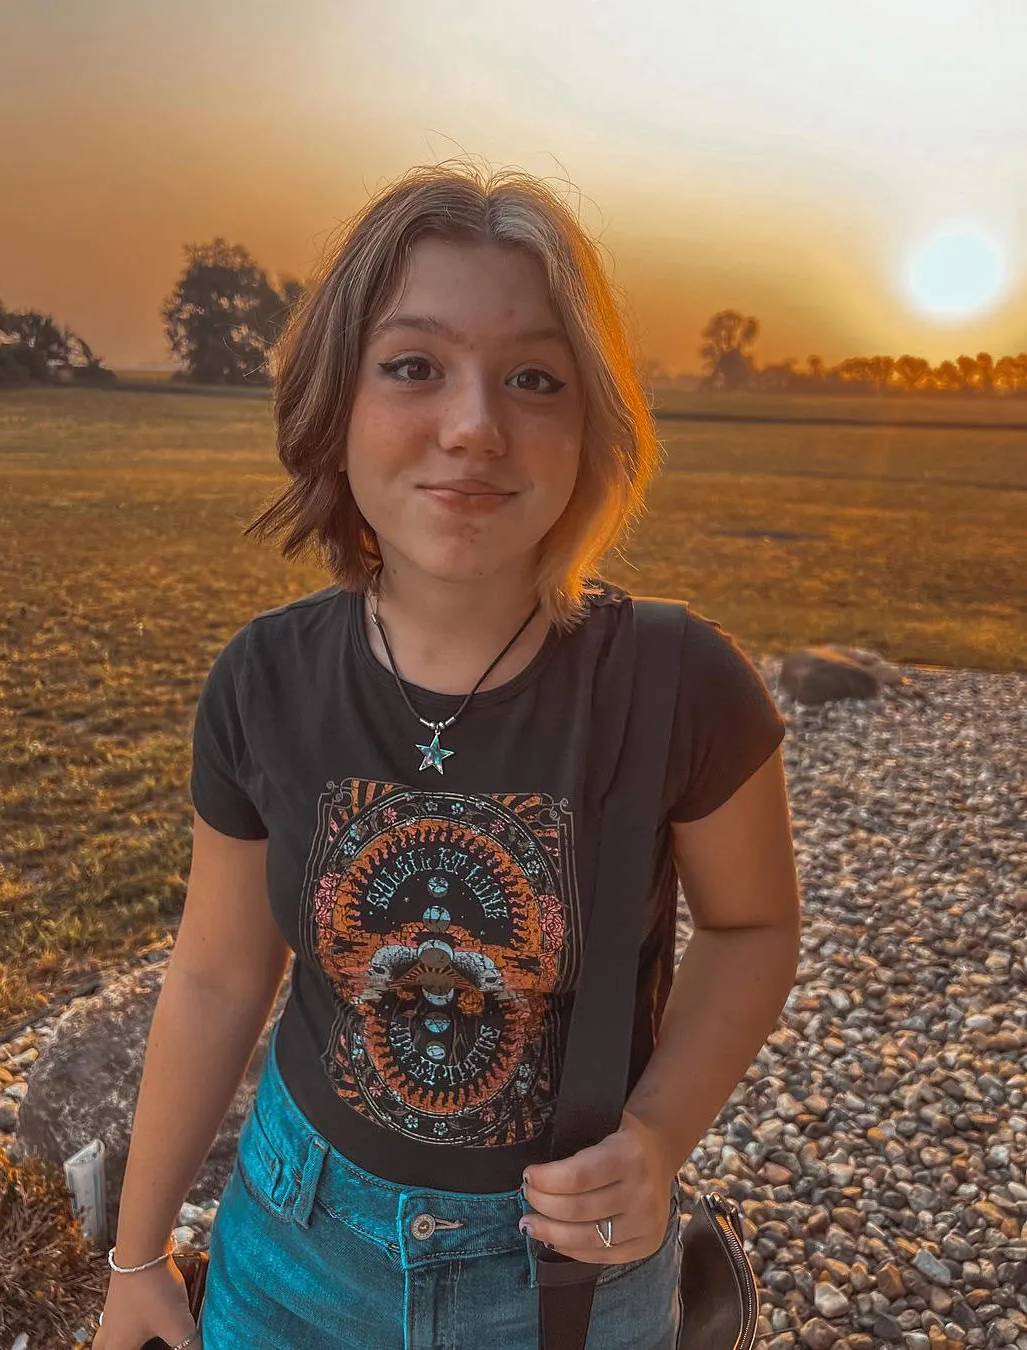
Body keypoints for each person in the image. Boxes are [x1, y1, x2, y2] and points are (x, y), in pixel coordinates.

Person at [93, 162, 801, 1350]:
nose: (473, 426)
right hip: (290, 1250)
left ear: (593, 426)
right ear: (337, 402)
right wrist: (137, 1255)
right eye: (414, 365)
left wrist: (657, 1139)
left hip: (571, 1279)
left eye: (535, 378)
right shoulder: (263, 683)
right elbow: (216, 976)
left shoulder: (684, 686)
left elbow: (753, 927)